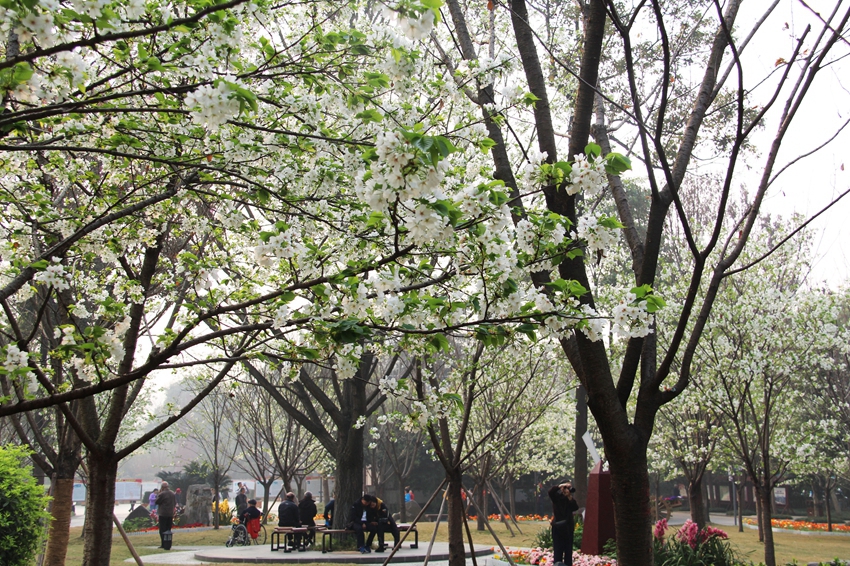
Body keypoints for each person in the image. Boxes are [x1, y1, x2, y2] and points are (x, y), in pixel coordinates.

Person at [548, 481, 579, 566]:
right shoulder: (556, 497)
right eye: (566, 487)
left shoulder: (569, 499)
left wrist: (569, 496)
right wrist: (560, 486)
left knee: (568, 551)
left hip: (568, 527)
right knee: (558, 550)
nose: (567, 489)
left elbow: (575, 507)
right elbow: (550, 492)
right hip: (558, 527)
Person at [155, 482, 177, 550]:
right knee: (168, 529)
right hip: (170, 514)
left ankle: (163, 544)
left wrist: (159, 494)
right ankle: (168, 543)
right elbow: (175, 502)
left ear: (162, 487)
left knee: (162, 529)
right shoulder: (172, 493)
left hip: (163, 513)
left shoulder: (162, 494)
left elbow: (157, 502)